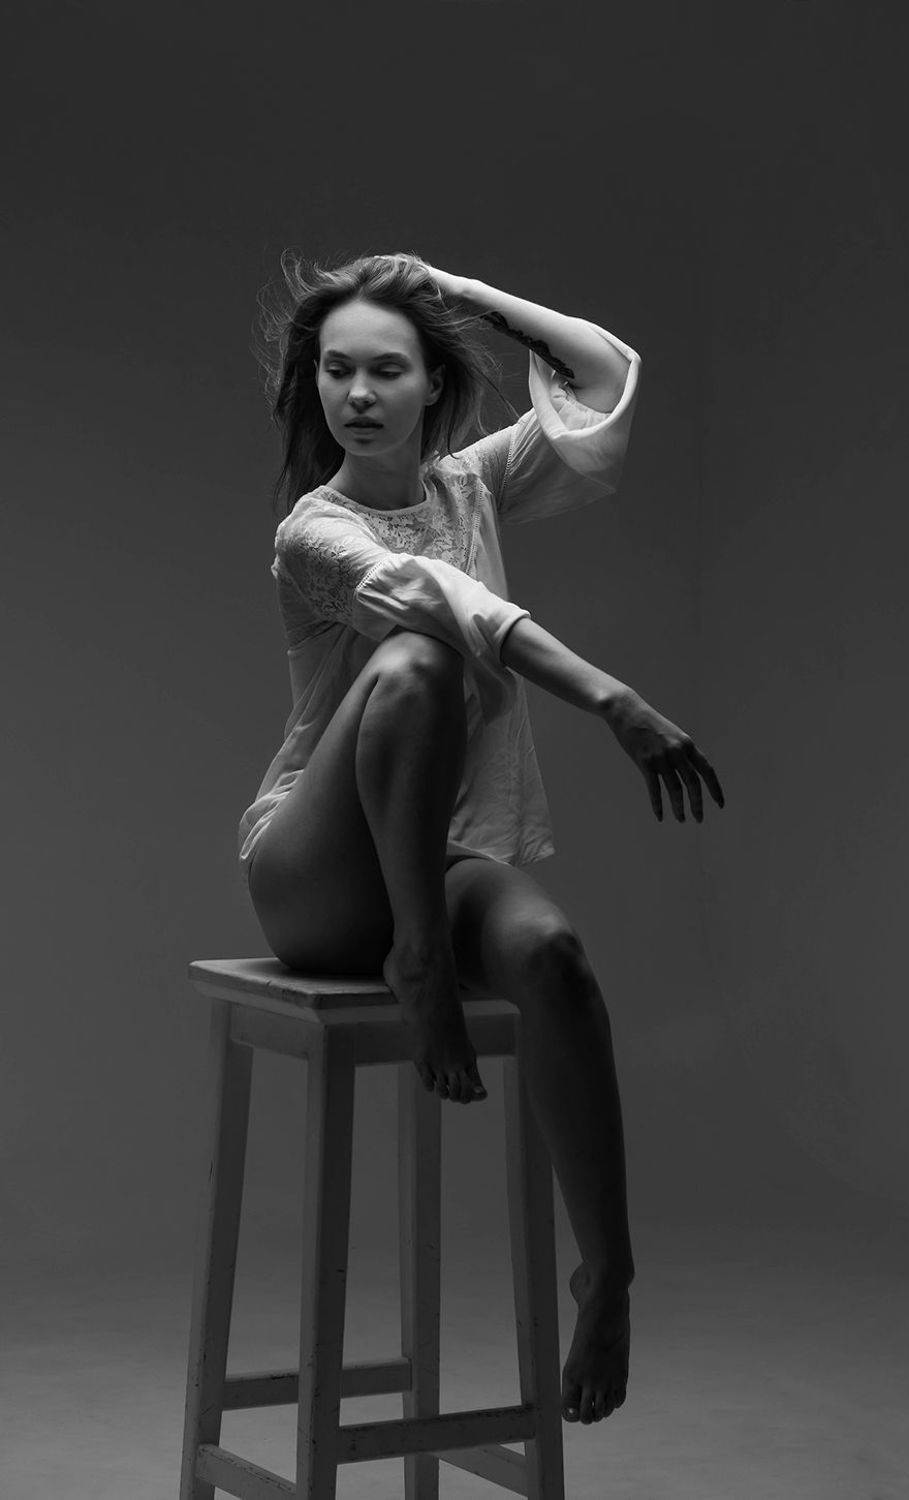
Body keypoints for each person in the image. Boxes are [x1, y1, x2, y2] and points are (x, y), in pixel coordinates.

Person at [237, 250, 725, 1427]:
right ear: (312, 387)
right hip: (316, 875)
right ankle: (418, 956)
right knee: (417, 661)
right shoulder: (314, 530)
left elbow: (601, 383)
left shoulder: (469, 486)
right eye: (336, 371)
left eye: (386, 370)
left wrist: (459, 292)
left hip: (444, 855)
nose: (358, 394)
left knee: (553, 957)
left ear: (430, 385)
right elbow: (444, 606)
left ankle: (607, 1276)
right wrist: (613, 699)